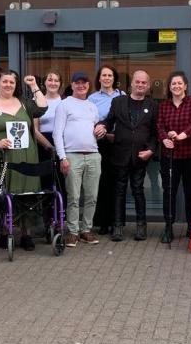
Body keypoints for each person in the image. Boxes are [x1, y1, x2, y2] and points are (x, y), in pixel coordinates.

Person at [0, 70, 48, 249]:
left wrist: (33, 86)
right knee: (3, 194)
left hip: (27, 156)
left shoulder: (24, 103)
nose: (8, 85)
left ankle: (26, 234)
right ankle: (3, 231)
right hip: (0, 156)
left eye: (12, 82)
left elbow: (43, 106)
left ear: (16, 86)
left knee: (27, 194)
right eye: (5, 81)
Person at [103, 70, 158, 242]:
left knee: (138, 191)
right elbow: (109, 121)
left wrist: (151, 149)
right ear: (131, 84)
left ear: (148, 86)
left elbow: (155, 133)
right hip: (120, 154)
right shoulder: (118, 101)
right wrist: (101, 126)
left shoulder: (153, 105)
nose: (140, 85)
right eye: (138, 82)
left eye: (144, 83)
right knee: (118, 191)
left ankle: (141, 227)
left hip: (140, 156)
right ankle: (118, 226)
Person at [54, 71, 106, 246]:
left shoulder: (92, 106)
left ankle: (86, 229)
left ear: (89, 85)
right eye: (78, 83)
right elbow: (57, 133)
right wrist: (62, 157)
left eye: (84, 83)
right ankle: (73, 231)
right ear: (72, 84)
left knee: (92, 196)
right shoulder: (64, 104)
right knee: (74, 197)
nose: (81, 86)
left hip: (93, 155)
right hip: (72, 155)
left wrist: (101, 132)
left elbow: (95, 132)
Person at [157, 71, 191, 244]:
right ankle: (168, 228)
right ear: (169, 87)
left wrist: (181, 135)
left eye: (179, 83)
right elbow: (159, 125)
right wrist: (165, 137)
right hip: (170, 156)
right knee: (169, 192)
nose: (176, 86)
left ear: (185, 86)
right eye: (173, 84)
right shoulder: (163, 106)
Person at [88, 65, 124, 235]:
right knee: (102, 183)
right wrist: (103, 132)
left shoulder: (122, 95)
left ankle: (117, 222)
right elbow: (90, 121)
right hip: (101, 143)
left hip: (119, 143)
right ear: (99, 78)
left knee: (118, 183)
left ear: (114, 78)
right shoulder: (92, 98)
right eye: (104, 75)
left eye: (110, 75)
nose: (107, 78)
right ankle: (102, 222)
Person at [32, 71, 66, 201]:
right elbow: (35, 130)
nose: (53, 83)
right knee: (46, 181)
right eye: (50, 80)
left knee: (62, 182)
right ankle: (47, 217)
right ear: (44, 83)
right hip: (44, 144)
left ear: (60, 84)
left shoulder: (65, 101)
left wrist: (59, 147)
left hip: (63, 144)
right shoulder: (36, 101)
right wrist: (50, 146)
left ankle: (62, 215)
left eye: (56, 80)